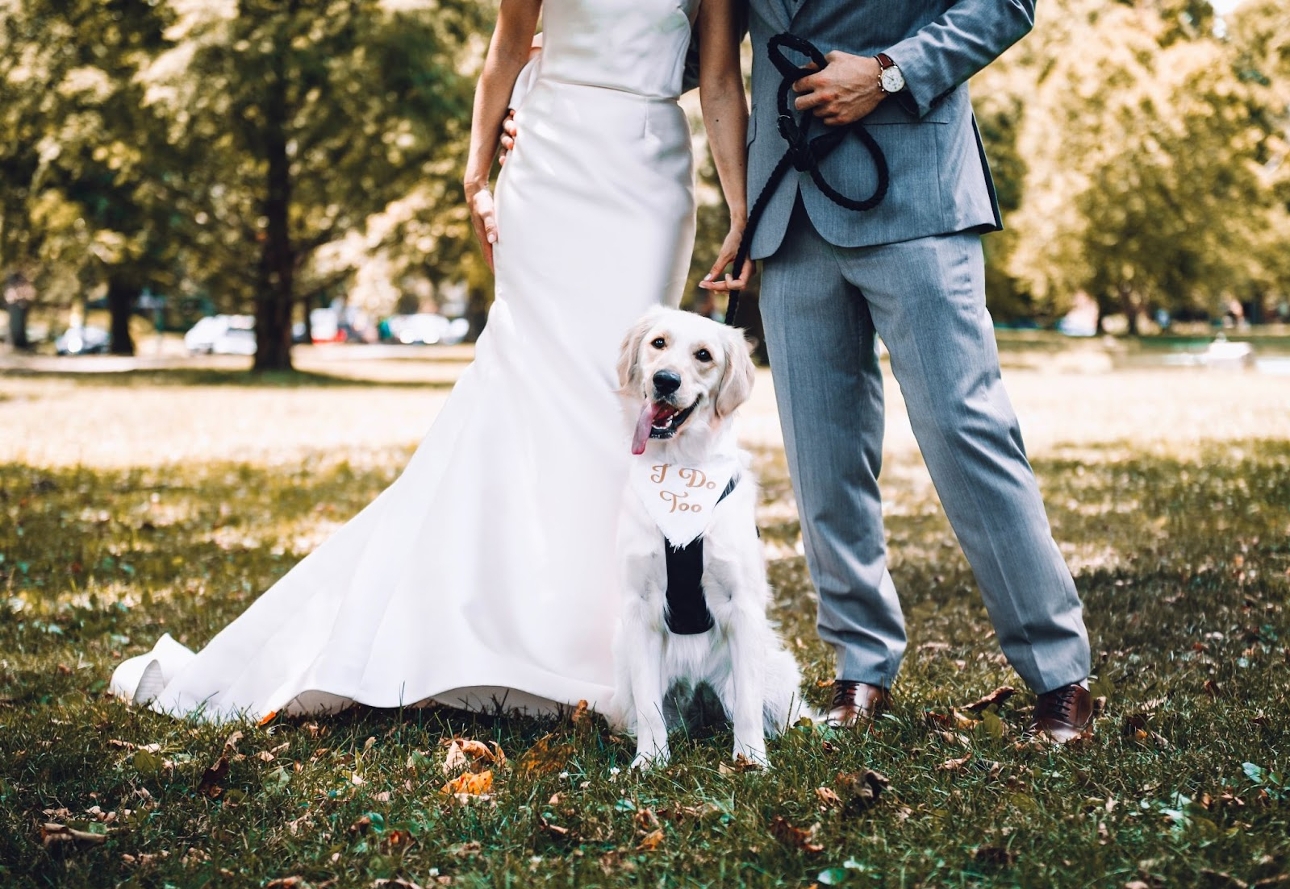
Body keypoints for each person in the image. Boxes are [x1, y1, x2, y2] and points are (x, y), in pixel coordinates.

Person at [110, 0, 752, 721]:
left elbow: (722, 78)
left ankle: (623, 637)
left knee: (621, 401)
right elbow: (506, 48)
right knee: (529, 385)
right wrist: (476, 178)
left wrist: (739, 207)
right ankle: (500, 625)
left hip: (650, 176)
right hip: (550, 165)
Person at [507, 0, 1094, 742]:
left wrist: (888, 73)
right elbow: (703, 52)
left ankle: (1058, 673)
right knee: (823, 459)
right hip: (787, 207)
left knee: (965, 432)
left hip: (912, 186)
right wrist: (562, 84)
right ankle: (862, 663)